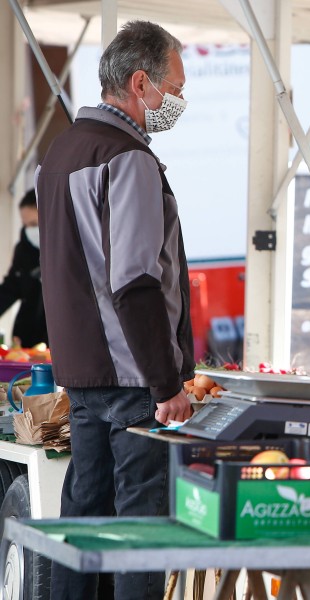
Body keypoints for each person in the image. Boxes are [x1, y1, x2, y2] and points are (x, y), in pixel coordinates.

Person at [36, 21, 194, 600]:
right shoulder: (128, 159)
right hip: (130, 377)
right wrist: (165, 381)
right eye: (174, 87)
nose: (179, 100)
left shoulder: (60, 154)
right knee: (138, 529)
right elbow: (134, 280)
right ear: (139, 83)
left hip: (80, 373)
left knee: (85, 516)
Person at [0, 189, 47, 348]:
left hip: (58, 339)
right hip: (25, 340)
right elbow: (11, 287)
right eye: (25, 225)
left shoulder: (67, 250)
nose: (29, 230)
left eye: (34, 224)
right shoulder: (23, 249)